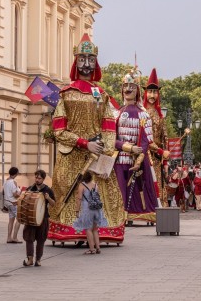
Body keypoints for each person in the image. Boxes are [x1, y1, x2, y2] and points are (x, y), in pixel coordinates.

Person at [48, 33, 125, 244]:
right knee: (67, 192)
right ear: (76, 62)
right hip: (71, 154)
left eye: (91, 60)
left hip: (96, 155)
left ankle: (99, 234)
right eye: (82, 59)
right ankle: (68, 231)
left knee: (101, 194)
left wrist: (105, 149)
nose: (86, 64)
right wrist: (83, 143)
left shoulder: (101, 94)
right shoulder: (65, 94)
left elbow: (109, 124)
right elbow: (59, 130)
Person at [114, 68, 165, 225]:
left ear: (137, 91)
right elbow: (111, 139)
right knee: (120, 190)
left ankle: (140, 214)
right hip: (119, 158)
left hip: (139, 160)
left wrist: (139, 155)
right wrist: (126, 147)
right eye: (125, 86)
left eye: (132, 87)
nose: (128, 89)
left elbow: (146, 141)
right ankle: (120, 216)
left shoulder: (144, 114)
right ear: (121, 89)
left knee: (141, 189)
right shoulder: (116, 113)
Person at [143, 68, 171, 207]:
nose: (152, 95)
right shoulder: (142, 113)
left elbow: (165, 140)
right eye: (150, 91)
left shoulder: (161, 116)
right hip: (145, 155)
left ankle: (159, 210)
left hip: (158, 158)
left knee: (159, 184)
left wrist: (165, 162)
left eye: (155, 92)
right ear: (145, 93)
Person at [22, 170, 55, 267]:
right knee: (29, 238)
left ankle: (38, 259)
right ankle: (30, 259)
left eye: (39, 178)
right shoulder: (30, 189)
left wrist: (48, 198)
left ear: (43, 179)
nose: (37, 179)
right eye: (36, 177)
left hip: (42, 218)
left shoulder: (48, 190)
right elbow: (24, 201)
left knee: (41, 239)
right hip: (30, 218)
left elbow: (53, 204)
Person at [73, 171, 108, 254]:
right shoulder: (95, 185)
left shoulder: (82, 185)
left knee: (88, 229)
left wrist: (77, 210)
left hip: (87, 209)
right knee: (95, 229)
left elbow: (79, 199)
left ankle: (92, 249)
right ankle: (98, 247)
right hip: (96, 209)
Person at [3, 167, 22, 243]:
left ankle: (9, 238)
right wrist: (20, 192)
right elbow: (15, 195)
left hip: (7, 202)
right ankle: (14, 237)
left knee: (11, 220)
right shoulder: (13, 182)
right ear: (16, 173)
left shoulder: (6, 181)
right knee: (19, 219)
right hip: (13, 202)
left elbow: (3, 192)